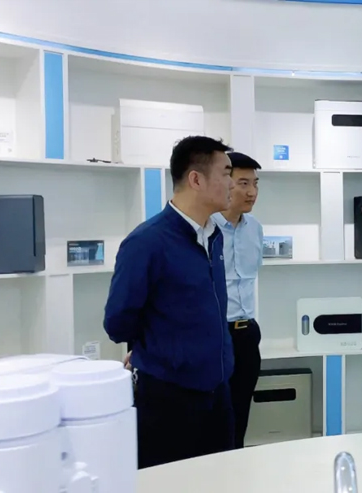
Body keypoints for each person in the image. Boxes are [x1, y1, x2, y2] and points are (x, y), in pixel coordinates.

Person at [104, 135, 236, 469]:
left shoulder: (215, 237)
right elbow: (118, 321)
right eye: (226, 173)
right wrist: (157, 346)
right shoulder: (147, 242)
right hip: (168, 400)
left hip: (218, 393)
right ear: (196, 179)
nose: (232, 184)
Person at [211, 151, 264, 449]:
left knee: (241, 414)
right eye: (243, 183)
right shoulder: (206, 227)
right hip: (216, 335)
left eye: (255, 184)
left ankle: (235, 466)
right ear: (224, 183)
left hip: (247, 334)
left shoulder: (255, 228)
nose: (251, 192)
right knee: (214, 419)